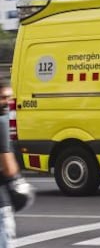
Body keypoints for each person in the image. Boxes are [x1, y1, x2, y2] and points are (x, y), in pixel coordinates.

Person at [0, 79, 18, 247]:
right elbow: (9, 168)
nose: (8, 102)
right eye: (4, 97)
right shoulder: (1, 122)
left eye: (9, 97)